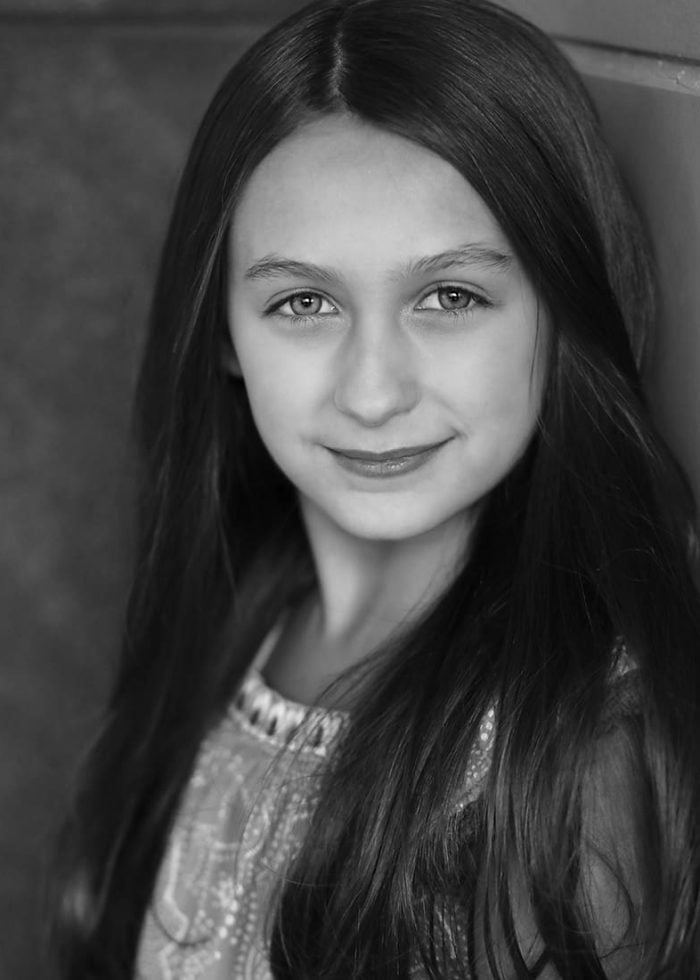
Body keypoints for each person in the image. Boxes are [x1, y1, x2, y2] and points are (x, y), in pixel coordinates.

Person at [51, 0, 700, 976]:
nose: (371, 389)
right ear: (225, 332)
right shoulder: (235, 627)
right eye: (302, 302)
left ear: (557, 312)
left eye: (449, 295)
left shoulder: (578, 757)